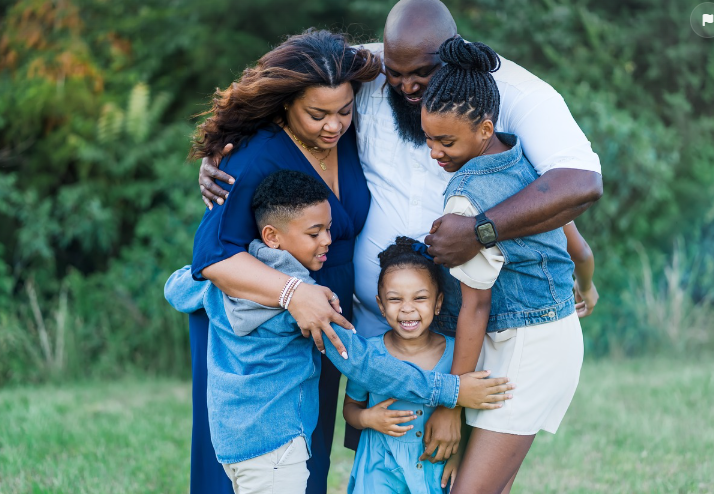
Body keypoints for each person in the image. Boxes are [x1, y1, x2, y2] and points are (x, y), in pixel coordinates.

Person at [198, 0, 602, 477]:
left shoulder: (510, 102)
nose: (407, 86)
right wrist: (219, 149)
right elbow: (290, 75)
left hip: (469, 328)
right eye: (397, 74)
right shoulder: (366, 73)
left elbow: (577, 192)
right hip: (357, 325)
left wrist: (482, 233)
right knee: (378, 466)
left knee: (443, 472)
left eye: (422, 75)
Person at [165, 171, 513, 493]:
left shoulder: (226, 280)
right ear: (272, 236)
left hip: (231, 442)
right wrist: (452, 390)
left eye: (329, 229)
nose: (328, 240)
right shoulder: (306, 303)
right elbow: (361, 362)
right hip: (278, 445)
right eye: (314, 233)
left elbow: (176, 288)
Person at [186, 29, 382, 494]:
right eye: (318, 115)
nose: (334, 126)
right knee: (255, 456)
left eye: (344, 111)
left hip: (320, 313)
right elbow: (212, 258)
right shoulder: (253, 157)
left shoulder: (347, 139)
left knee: (306, 455)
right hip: (258, 328)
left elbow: (406, 51)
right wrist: (294, 294)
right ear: (286, 104)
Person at [418, 35, 590, 493]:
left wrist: (451, 403)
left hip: (525, 352)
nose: (434, 152)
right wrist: (586, 282)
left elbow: (475, 308)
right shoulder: (521, 160)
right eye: (428, 138)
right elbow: (574, 241)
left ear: (484, 128)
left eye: (446, 141)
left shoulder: (465, 200)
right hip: (547, 339)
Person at [344, 237, 485, 494]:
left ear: (438, 303)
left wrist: (459, 455)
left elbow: (469, 415)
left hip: (436, 467)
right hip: (380, 467)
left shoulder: (458, 353)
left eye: (420, 298)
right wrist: (367, 418)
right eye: (395, 299)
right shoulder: (368, 354)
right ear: (381, 306)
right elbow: (350, 408)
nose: (407, 309)